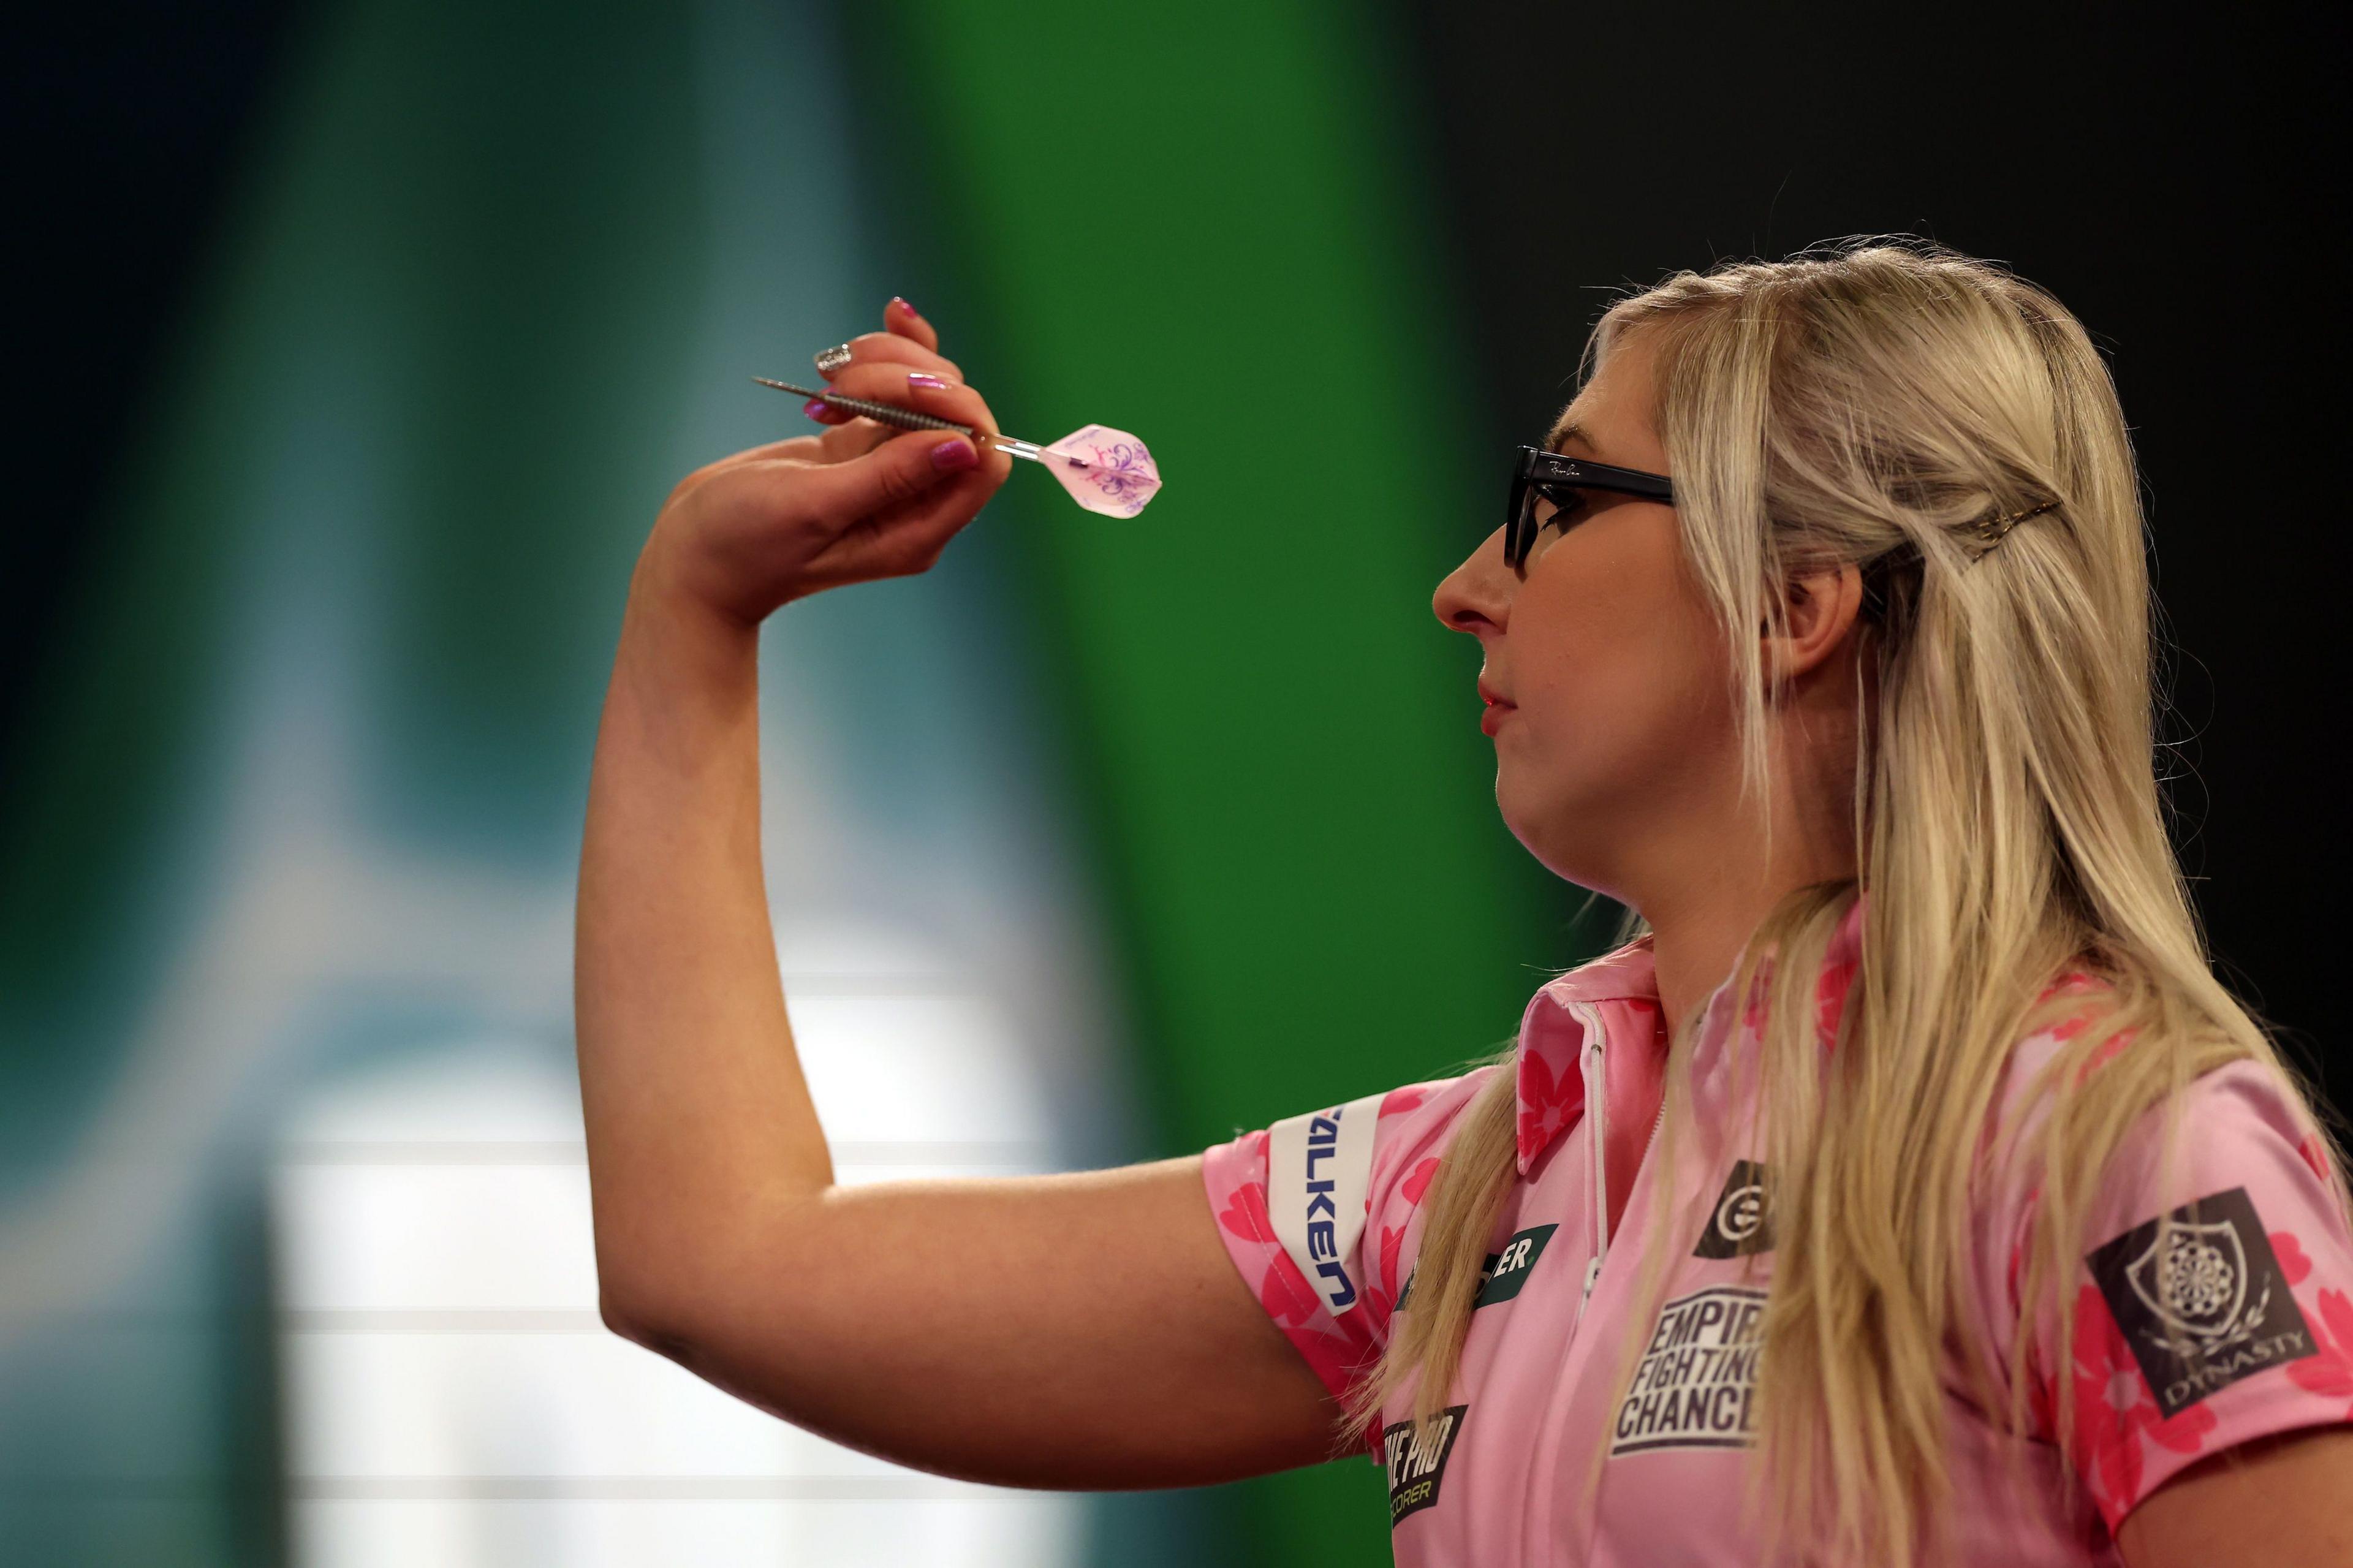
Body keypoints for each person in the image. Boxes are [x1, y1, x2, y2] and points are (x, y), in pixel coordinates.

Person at [574, 249, 2353, 1566]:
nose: (1461, 589)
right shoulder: (1485, 1185)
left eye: (1558, 502)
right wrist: (693, 625)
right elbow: (727, 1268)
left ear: (1795, 600)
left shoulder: (2110, 1140)